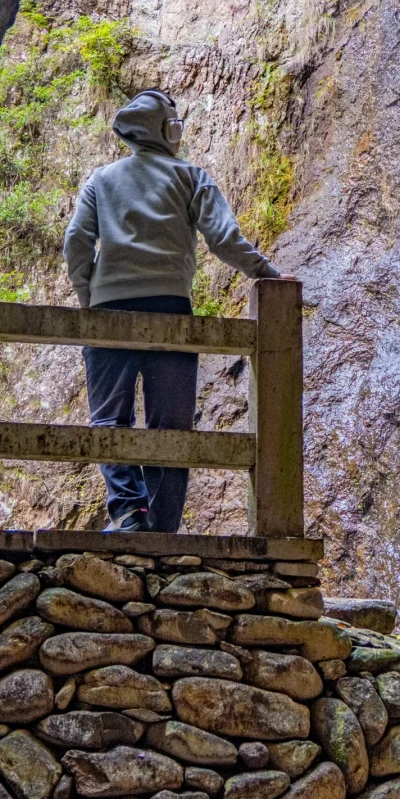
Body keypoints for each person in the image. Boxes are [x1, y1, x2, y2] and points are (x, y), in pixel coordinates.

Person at [63, 88, 281, 533]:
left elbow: (75, 243)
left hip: (108, 309)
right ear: (168, 129)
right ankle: (161, 526)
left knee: (108, 416)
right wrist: (269, 274)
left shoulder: (100, 180)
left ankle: (128, 511)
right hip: (170, 306)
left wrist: (92, 301)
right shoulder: (191, 177)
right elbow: (224, 239)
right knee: (171, 424)